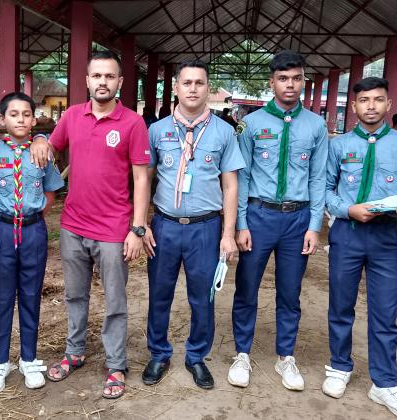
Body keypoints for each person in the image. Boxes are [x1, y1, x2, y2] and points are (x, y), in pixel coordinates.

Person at [29, 50, 150, 399]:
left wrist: (138, 228)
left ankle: (116, 364)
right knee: (75, 294)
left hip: (113, 229)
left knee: (115, 301)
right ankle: (75, 351)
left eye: (109, 76)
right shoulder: (72, 116)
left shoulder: (132, 123)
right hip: (73, 225)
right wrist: (39, 139)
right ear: (86, 80)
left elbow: (141, 179)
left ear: (120, 82)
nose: (103, 82)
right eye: (97, 76)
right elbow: (51, 146)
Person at [323, 77, 397, 420]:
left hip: (385, 238)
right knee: (341, 305)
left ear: (388, 105)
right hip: (347, 234)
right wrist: (347, 209)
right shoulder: (339, 145)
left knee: (385, 313)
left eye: (378, 100)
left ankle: (384, 383)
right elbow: (326, 190)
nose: (370, 106)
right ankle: (339, 366)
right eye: (364, 100)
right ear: (354, 106)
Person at [141, 59, 244, 389]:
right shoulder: (157, 131)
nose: (193, 89)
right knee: (160, 293)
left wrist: (228, 234)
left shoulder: (224, 132)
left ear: (208, 88)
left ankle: (196, 356)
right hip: (165, 226)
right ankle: (159, 353)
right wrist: (140, 224)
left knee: (203, 297)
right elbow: (143, 179)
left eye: (200, 83)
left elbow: (230, 185)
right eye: (187, 83)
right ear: (176, 88)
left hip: (205, 228)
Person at [230, 50, 328, 391]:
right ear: (271, 82)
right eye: (283, 78)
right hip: (259, 216)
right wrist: (241, 223)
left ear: (303, 81)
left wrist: (314, 226)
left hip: (297, 220)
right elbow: (242, 176)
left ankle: (286, 356)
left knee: (290, 292)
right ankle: (242, 353)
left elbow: (318, 178)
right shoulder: (251, 124)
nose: (290, 84)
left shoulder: (316, 125)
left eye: (296, 78)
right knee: (247, 288)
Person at [0, 92, 64, 392]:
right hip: (2, 230)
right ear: (2, 119)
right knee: (1, 297)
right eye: (13, 114)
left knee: (30, 294)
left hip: (33, 231)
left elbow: (50, 192)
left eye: (26, 114)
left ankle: (29, 357)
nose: (21, 119)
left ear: (34, 119)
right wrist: (3, 218)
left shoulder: (42, 153)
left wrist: (32, 215)